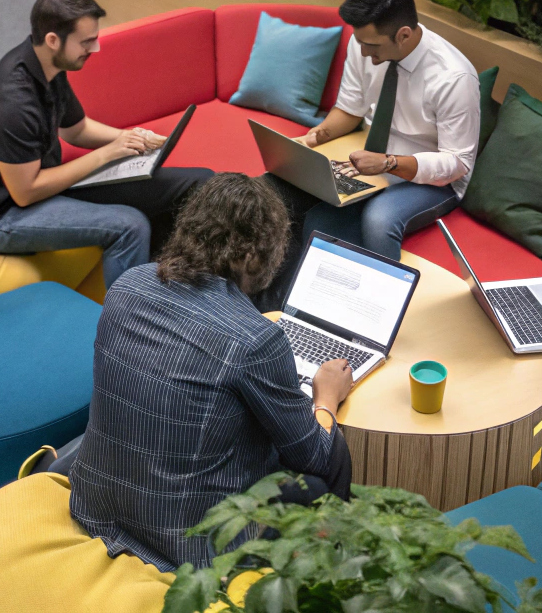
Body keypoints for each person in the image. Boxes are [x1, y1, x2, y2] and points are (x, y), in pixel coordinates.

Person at [67, 172, 354, 571]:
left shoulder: (127, 285)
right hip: (184, 548)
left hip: (94, 506)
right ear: (254, 255)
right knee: (330, 467)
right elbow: (314, 457)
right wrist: (326, 397)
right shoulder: (255, 340)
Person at [0, 0, 212, 288]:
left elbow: (75, 129)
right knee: (130, 226)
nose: (95, 49)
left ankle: (173, 282)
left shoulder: (50, 67)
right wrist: (106, 154)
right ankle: (130, 325)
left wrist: (130, 138)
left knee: (198, 181)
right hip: (1, 217)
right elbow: (25, 192)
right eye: (86, 42)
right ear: (53, 40)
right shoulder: (10, 103)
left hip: (49, 183)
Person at [257, 0, 480, 311]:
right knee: (312, 214)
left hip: (431, 178)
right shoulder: (364, 43)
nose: (363, 52)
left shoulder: (453, 78)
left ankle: (378, 315)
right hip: (372, 159)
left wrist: (390, 162)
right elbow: (350, 107)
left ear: (403, 35)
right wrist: (314, 137)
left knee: (379, 219)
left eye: (372, 46)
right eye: (360, 43)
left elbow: (456, 163)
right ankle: (286, 305)